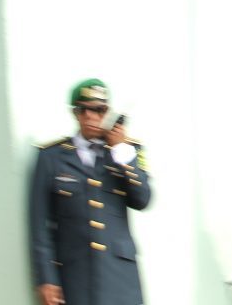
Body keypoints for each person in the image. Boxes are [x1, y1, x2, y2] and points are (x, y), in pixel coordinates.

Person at [30, 78, 151, 305]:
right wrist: (46, 278)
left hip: (120, 279)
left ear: (108, 113)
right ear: (76, 113)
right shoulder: (51, 157)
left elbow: (143, 199)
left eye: (99, 110)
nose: (92, 117)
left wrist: (121, 152)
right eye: (84, 110)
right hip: (75, 276)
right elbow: (39, 226)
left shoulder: (128, 151)